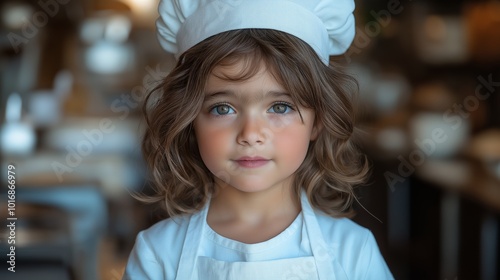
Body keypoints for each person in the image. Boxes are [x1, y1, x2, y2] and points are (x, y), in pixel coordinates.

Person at [123, 0, 394, 279]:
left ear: (318, 121)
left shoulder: (352, 252)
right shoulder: (158, 254)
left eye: (280, 107)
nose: (251, 134)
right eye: (223, 108)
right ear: (190, 120)